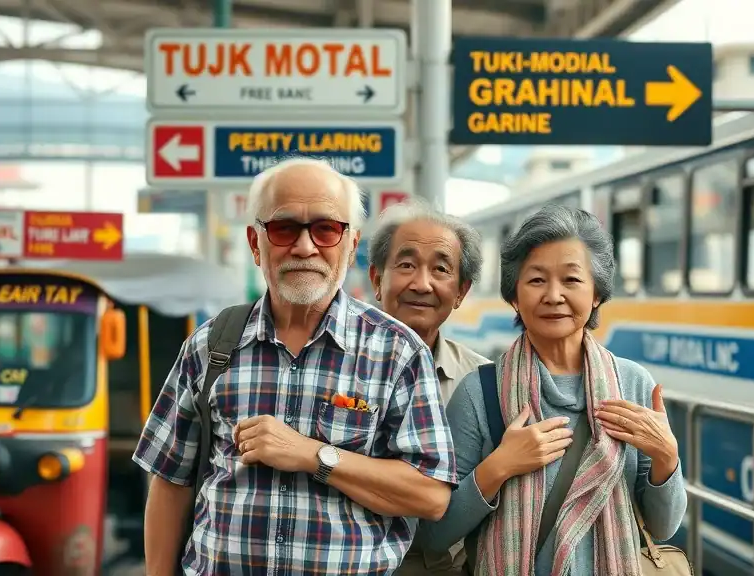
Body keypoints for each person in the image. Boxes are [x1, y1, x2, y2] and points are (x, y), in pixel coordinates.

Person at [133, 157, 459, 576]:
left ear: (351, 244)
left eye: (326, 229)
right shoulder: (210, 345)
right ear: (256, 243)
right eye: (284, 228)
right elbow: (169, 479)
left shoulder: (397, 352)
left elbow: (430, 495)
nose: (305, 247)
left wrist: (313, 455)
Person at [418, 204, 687, 575]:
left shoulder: (631, 383)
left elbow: (663, 527)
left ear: (597, 294)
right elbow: (433, 533)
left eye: (572, 280)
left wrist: (666, 458)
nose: (554, 295)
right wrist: (498, 467)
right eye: (537, 280)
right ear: (514, 296)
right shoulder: (480, 392)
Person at [367, 200, 490, 576]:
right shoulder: (335, 365)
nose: (422, 283)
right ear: (376, 279)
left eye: (440, 269)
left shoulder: (485, 383)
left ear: (461, 291)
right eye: (406, 265)